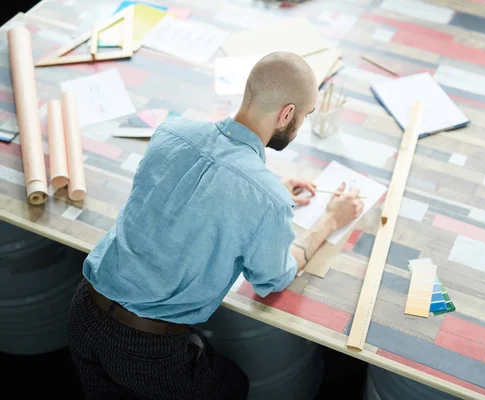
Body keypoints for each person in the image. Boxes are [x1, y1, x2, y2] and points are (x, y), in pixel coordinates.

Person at [67, 51, 364, 400]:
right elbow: (273, 279)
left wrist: (266, 193)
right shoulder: (266, 199)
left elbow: (183, 198)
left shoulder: (172, 133)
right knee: (232, 386)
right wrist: (330, 219)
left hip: (84, 311)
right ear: (286, 114)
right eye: (304, 115)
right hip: (145, 348)